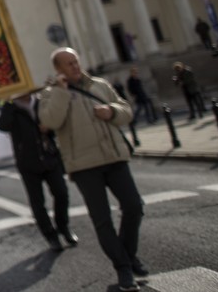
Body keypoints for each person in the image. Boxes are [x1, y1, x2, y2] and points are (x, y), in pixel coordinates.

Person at [38, 48, 146, 292]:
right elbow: (50, 122)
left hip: (114, 157)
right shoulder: (50, 94)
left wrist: (112, 112)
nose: (75, 66)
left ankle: (127, 255)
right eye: (68, 63)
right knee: (102, 221)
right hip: (85, 166)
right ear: (59, 69)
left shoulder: (100, 85)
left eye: (76, 61)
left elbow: (125, 110)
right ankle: (124, 268)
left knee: (134, 206)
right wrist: (61, 93)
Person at [0, 94, 76, 252]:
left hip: (49, 157)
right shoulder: (12, 108)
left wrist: (49, 127)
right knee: (37, 202)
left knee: (62, 193)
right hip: (28, 163)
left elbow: (57, 121)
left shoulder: (41, 102)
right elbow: (2, 125)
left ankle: (63, 226)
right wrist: (7, 104)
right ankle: (50, 235)